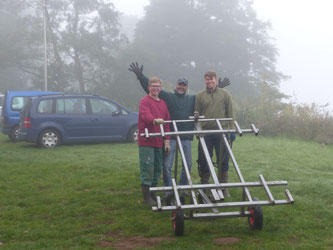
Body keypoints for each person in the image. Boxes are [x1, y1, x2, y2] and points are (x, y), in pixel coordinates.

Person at [130, 62, 231, 198]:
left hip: (186, 137)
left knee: (187, 166)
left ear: (186, 87)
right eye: (179, 85)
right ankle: (168, 190)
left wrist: (218, 88)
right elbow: (153, 88)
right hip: (171, 137)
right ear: (176, 86)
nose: (181, 87)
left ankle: (182, 188)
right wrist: (141, 76)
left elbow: (208, 96)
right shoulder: (168, 97)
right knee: (167, 166)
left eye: (184, 85)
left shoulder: (192, 99)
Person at [195, 70, 236, 197]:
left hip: (221, 132)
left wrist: (232, 129)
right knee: (204, 160)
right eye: (207, 79)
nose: (210, 81)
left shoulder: (225, 94)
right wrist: (198, 131)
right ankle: (204, 186)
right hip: (206, 133)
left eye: (212, 79)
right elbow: (196, 114)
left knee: (223, 160)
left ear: (216, 80)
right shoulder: (200, 96)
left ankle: (223, 187)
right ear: (205, 80)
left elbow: (230, 113)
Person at [138, 76, 171, 205]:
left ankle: (153, 194)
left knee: (157, 168)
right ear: (149, 87)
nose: (155, 88)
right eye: (153, 86)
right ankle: (146, 197)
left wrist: (167, 140)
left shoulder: (163, 104)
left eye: (158, 86)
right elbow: (145, 115)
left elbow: (167, 123)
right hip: (147, 141)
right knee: (148, 168)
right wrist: (154, 120)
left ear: (160, 88)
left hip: (158, 141)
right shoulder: (144, 101)